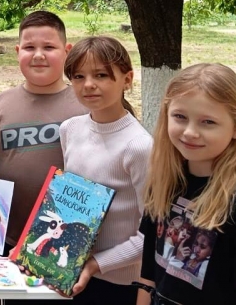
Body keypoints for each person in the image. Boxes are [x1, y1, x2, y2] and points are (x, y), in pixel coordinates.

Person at [137, 63, 236, 305]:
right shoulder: (163, 183)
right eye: (180, 117)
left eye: (208, 122)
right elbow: (148, 274)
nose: (190, 132)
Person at [0, 11, 87, 257]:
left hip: (63, 240)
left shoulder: (85, 105)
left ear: (67, 51)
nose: (38, 55)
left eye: (49, 47)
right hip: (7, 235)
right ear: (18, 52)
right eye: (29, 47)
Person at [58, 36, 152, 304]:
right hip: (71, 271)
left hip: (120, 285)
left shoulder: (139, 146)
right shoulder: (69, 129)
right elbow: (70, 204)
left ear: (127, 79)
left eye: (101, 75)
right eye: (78, 76)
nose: (88, 84)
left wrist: (95, 264)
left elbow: (152, 235)